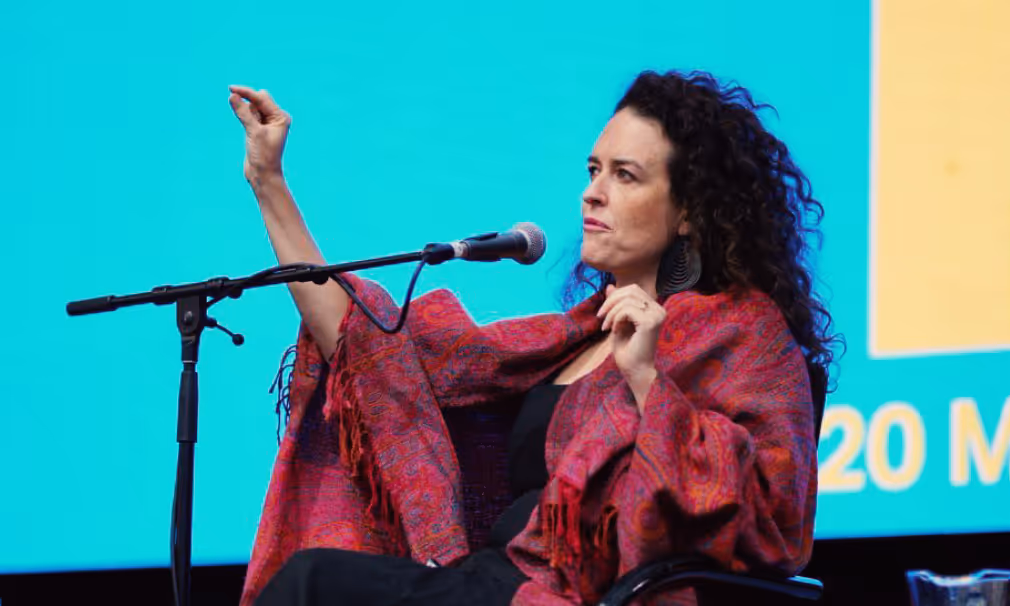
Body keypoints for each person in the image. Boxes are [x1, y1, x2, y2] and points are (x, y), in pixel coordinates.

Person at [228, 70, 838, 606]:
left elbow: (774, 518)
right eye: (594, 169)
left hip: (577, 596)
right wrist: (269, 181)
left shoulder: (741, 333)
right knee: (316, 583)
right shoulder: (570, 338)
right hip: (496, 582)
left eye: (625, 176)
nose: (592, 192)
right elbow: (370, 349)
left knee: (314, 585)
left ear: (688, 211)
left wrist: (648, 380)